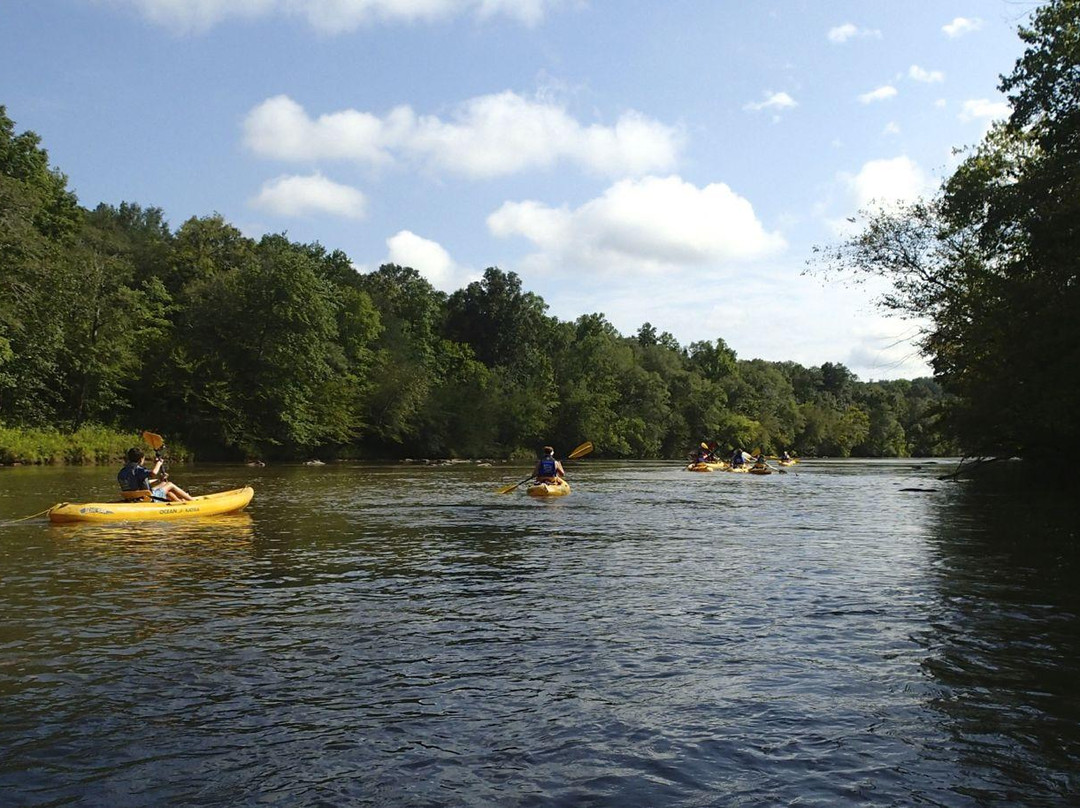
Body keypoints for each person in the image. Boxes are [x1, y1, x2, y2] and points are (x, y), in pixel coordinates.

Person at [118, 446, 193, 502]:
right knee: (170, 484)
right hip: (146, 498)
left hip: (133, 497)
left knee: (164, 483)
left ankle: (179, 502)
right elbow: (153, 473)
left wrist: (160, 480)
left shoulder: (122, 471)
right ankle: (192, 501)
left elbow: (136, 482)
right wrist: (158, 463)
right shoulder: (139, 469)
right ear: (141, 459)